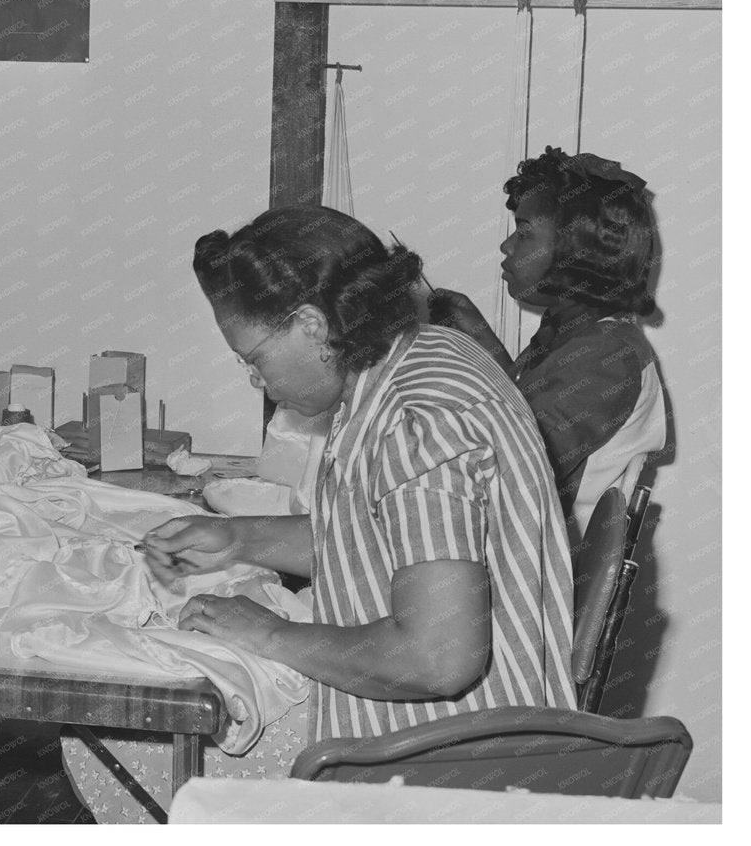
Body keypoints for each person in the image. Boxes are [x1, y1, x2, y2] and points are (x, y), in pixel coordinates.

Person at [62, 206, 575, 822]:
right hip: (470, 728)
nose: (257, 379)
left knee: (114, 734)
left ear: (310, 324)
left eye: (255, 357)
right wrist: (234, 539)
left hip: (452, 764)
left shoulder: (417, 422)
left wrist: (270, 634)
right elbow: (385, 535)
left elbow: (438, 659)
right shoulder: (426, 356)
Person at [428, 146, 665, 534]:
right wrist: (478, 337)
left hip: (544, 569)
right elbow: (521, 419)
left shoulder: (608, 355)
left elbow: (514, 463)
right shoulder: (575, 334)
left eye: (524, 233)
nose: (506, 247)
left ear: (577, 249)